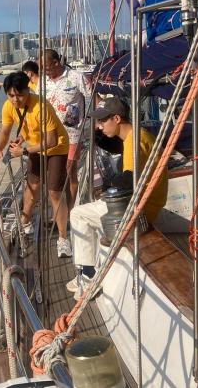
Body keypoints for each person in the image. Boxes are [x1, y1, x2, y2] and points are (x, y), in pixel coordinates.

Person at [67, 97, 168, 299]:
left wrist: (108, 186)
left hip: (141, 210)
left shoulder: (134, 142)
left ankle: (88, 276)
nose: (99, 126)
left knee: (78, 214)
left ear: (116, 118)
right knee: (91, 210)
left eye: (103, 122)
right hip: (146, 203)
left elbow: (129, 178)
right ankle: (90, 268)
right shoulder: (138, 135)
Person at [0, 72, 72, 258]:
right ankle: (25, 221)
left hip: (56, 148)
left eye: (19, 95)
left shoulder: (40, 107)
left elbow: (52, 141)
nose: (15, 100)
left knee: (54, 191)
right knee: (32, 185)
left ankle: (63, 238)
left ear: (28, 90)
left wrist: (24, 152)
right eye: (11, 95)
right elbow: (5, 131)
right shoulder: (8, 106)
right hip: (35, 147)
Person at [40, 49, 90, 211]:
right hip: (49, 136)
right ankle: (58, 210)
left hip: (72, 135)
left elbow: (94, 97)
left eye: (46, 68)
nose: (45, 72)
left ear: (56, 62)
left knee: (70, 172)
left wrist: (98, 121)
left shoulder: (76, 77)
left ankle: (69, 210)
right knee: (54, 176)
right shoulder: (42, 82)